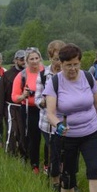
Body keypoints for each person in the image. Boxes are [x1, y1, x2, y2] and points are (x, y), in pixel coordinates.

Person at [43, 43, 97, 192]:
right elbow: (50, 112)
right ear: (61, 64)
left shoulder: (88, 78)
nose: (72, 69)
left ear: (80, 62)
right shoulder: (54, 82)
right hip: (66, 137)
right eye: (68, 65)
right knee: (68, 176)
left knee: (95, 171)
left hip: (91, 132)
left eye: (76, 64)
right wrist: (57, 125)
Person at [36, 40, 65, 183]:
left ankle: (67, 178)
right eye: (55, 59)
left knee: (65, 152)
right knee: (54, 152)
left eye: (61, 58)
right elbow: (37, 98)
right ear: (50, 57)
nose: (58, 62)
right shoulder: (43, 75)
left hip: (66, 121)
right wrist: (43, 102)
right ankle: (55, 181)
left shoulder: (70, 74)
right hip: (47, 122)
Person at [12, 47, 45, 173]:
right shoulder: (22, 75)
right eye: (31, 59)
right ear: (27, 60)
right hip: (28, 109)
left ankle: (48, 165)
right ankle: (34, 165)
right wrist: (23, 96)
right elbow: (14, 96)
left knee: (49, 138)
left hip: (45, 109)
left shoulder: (46, 72)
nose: (35, 61)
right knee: (33, 138)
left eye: (37, 58)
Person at [0, 50, 27, 156]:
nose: (23, 62)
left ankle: (24, 155)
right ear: (15, 60)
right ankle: (11, 153)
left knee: (23, 132)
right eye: (21, 59)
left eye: (25, 59)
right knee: (12, 130)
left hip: (25, 107)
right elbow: (0, 94)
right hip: (10, 107)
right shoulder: (7, 75)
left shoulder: (30, 73)